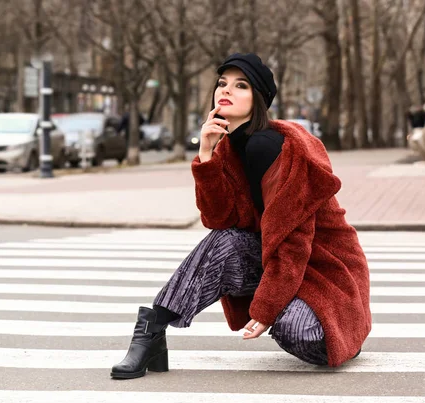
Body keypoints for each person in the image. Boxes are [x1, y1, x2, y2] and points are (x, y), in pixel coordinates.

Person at [110, 53, 371, 380]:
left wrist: (266, 309)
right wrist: (206, 155)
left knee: (297, 332)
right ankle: (151, 330)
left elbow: (294, 241)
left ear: (258, 98)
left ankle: (345, 334)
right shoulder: (231, 146)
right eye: (222, 83)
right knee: (226, 240)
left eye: (240, 85)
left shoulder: (272, 146)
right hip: (281, 266)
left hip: (326, 272)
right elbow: (219, 220)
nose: (226, 91)